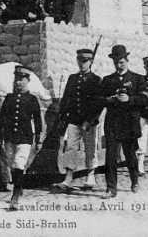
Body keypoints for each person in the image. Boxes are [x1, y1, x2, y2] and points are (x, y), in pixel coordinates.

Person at [95, 45, 148, 198]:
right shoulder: (107, 80)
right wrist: (109, 99)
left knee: (130, 154)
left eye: (122, 62)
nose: (119, 65)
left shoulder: (137, 79)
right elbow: (98, 100)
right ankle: (111, 188)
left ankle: (134, 180)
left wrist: (130, 99)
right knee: (110, 156)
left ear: (127, 60)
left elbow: (144, 99)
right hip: (112, 123)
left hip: (129, 123)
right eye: (116, 62)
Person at [51, 48, 102, 192]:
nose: (82, 64)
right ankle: (68, 178)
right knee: (71, 147)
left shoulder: (96, 80)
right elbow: (66, 99)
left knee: (90, 148)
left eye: (85, 61)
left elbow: (98, 104)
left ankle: (90, 175)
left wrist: (90, 120)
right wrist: (62, 118)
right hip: (74, 119)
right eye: (80, 60)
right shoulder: (73, 78)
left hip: (89, 121)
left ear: (91, 62)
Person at [0, 65, 42, 210]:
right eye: (16, 79)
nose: (18, 82)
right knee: (11, 164)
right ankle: (19, 186)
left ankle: (15, 196)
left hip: (25, 137)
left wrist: (38, 138)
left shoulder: (32, 99)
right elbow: (2, 117)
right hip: (10, 136)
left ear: (28, 80)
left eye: (22, 79)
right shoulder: (9, 98)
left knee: (19, 164)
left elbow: (38, 119)